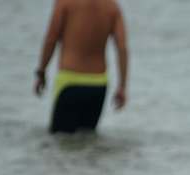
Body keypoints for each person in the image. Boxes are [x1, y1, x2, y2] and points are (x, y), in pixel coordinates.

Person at [33, 0, 129, 133]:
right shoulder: (112, 6)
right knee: (87, 140)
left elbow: (51, 39)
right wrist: (122, 87)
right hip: (98, 85)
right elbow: (122, 47)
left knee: (61, 141)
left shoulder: (65, 3)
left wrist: (41, 72)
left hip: (69, 82)